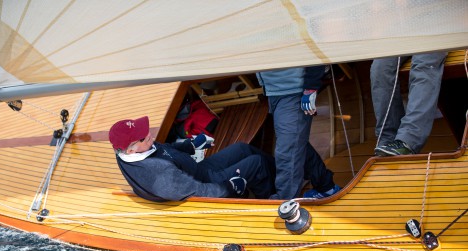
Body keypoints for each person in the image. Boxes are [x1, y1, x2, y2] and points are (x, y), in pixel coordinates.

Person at [109, 116, 276, 202]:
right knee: (256, 163)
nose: (150, 135)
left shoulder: (132, 149)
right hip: (203, 183)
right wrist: (230, 187)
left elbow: (165, 149)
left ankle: (285, 172)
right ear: (130, 150)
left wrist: (191, 145)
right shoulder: (159, 176)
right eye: (143, 137)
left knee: (242, 148)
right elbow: (198, 191)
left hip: (196, 171)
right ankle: (270, 201)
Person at [257, 66, 341, 200]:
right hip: (274, 91)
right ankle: (326, 187)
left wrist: (311, 88)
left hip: (293, 89)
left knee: (288, 151)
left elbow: (313, 48)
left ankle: (285, 204)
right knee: (295, 141)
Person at [371, 52, 447, 156]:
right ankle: (387, 139)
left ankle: (408, 141)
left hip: (437, 36)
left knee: (423, 66)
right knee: (379, 68)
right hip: (404, 36)